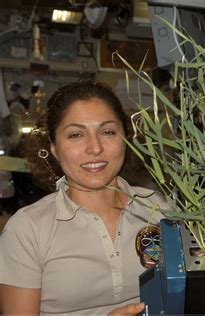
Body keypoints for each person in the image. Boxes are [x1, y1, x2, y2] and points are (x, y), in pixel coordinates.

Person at [0, 81, 173, 315]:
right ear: (53, 147)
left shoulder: (159, 208)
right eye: (76, 135)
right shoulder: (28, 229)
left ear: (126, 138)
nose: (95, 148)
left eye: (108, 132)